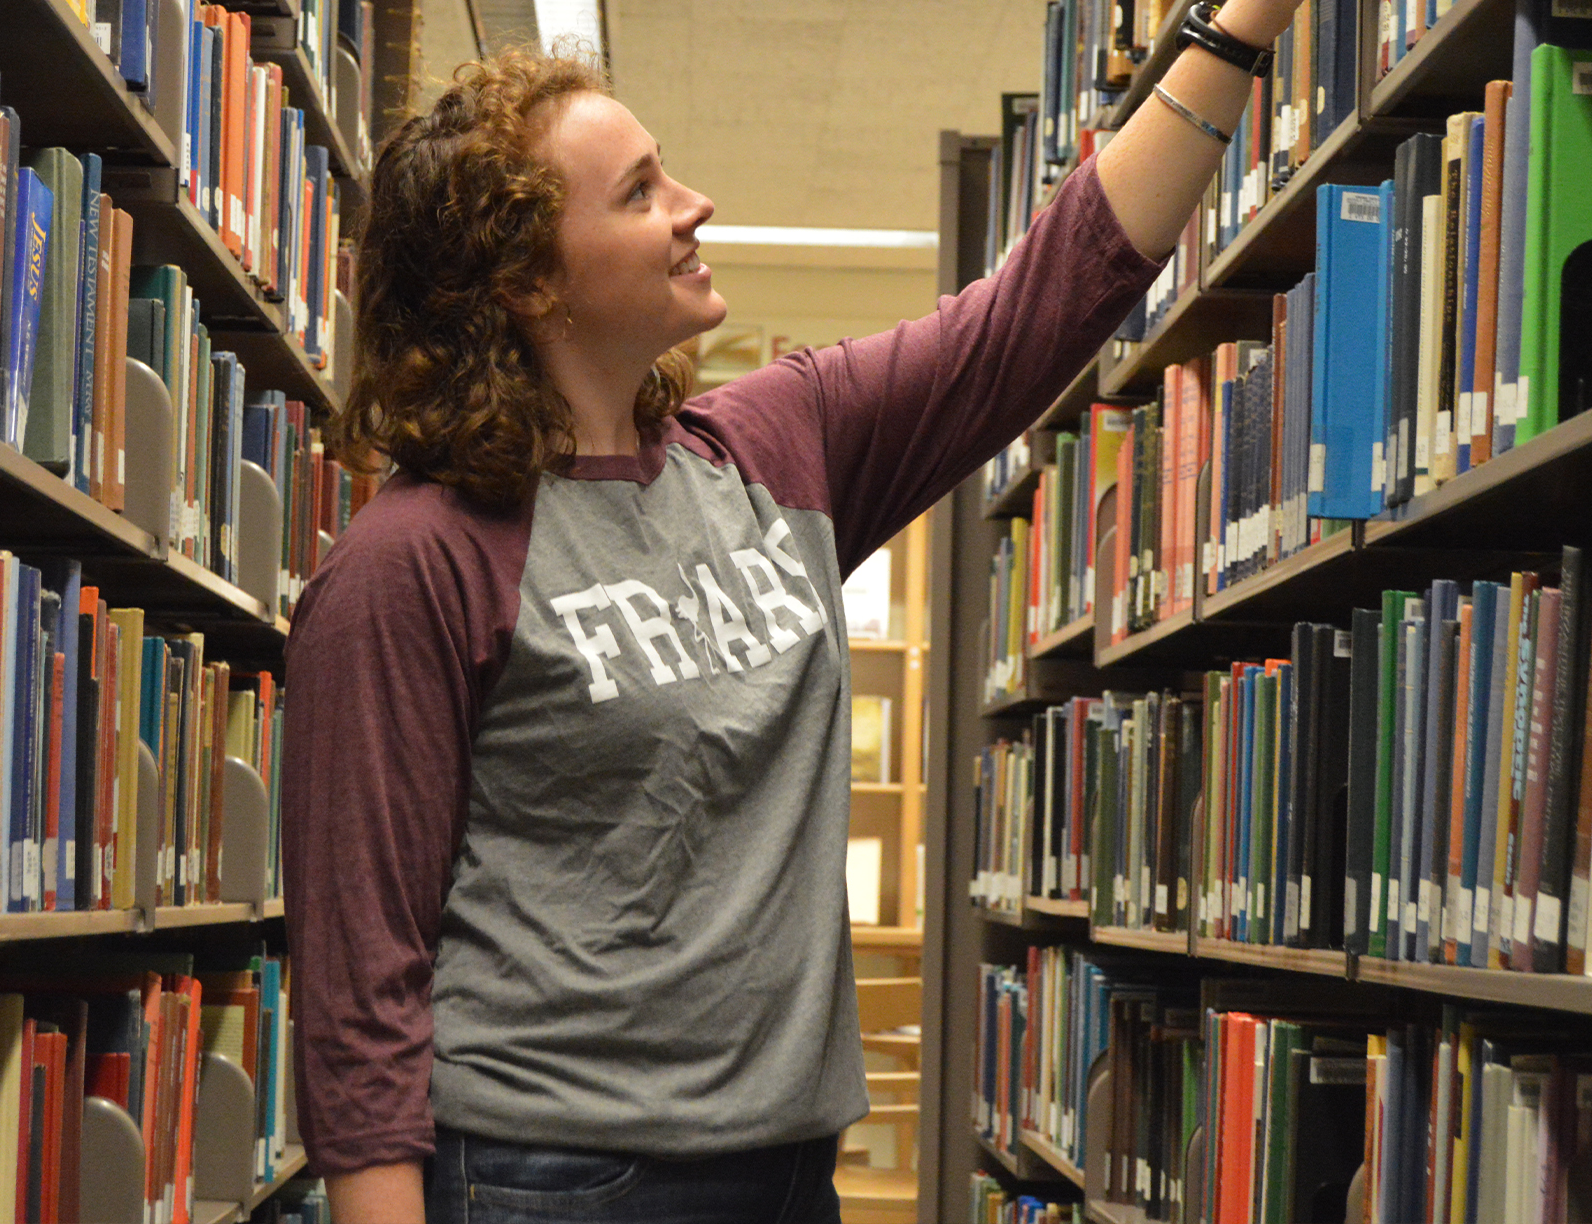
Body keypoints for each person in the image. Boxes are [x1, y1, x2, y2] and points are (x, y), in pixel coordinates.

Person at [282, 0, 1303, 1216]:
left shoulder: (774, 445)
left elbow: (1049, 297)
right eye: (641, 191)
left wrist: (1239, 27)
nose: (693, 204)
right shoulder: (414, 561)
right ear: (525, 283)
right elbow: (362, 989)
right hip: (544, 1179)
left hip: (783, 1169)